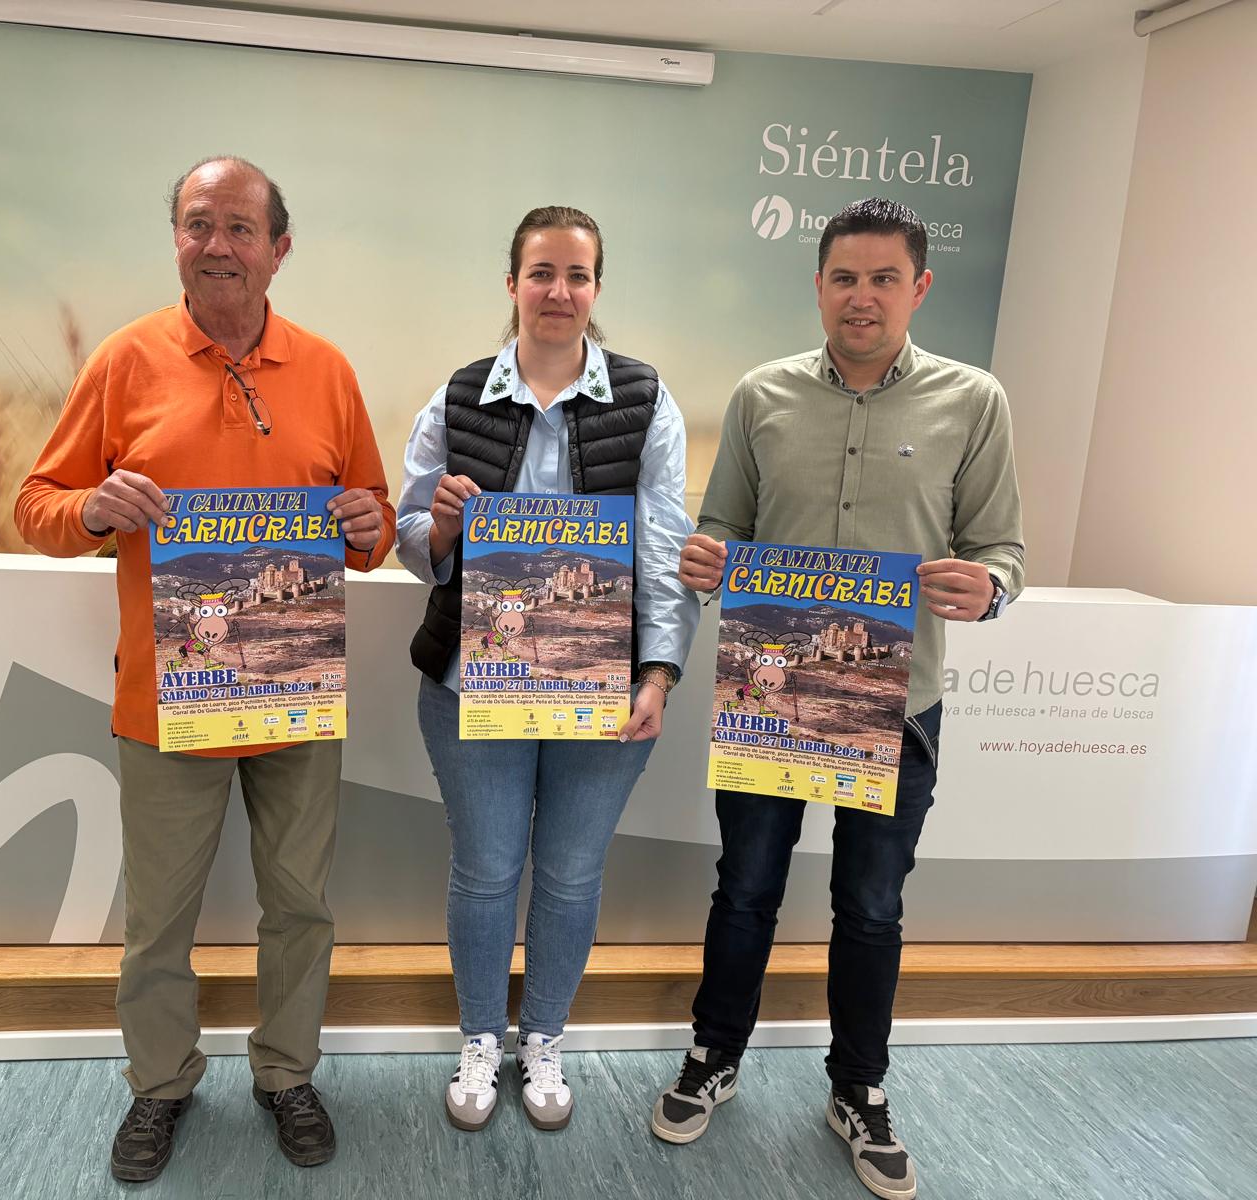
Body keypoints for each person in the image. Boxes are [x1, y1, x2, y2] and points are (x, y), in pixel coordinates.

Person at [14, 156, 395, 1180]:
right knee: (158, 922)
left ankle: (286, 1073)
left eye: (238, 227)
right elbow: (37, 504)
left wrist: (373, 523)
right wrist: (92, 509)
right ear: (175, 239)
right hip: (164, 700)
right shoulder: (123, 361)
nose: (216, 244)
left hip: (297, 698)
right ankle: (160, 1085)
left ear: (279, 248)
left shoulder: (328, 369)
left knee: (301, 906)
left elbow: (372, 526)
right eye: (197, 224)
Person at [649, 197, 1024, 1200]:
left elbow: (1002, 552)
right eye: (844, 278)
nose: (862, 297)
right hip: (774, 686)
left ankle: (857, 1089)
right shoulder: (761, 395)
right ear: (817, 285)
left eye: (883, 279)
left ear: (919, 287)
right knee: (747, 889)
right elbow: (722, 527)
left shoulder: (973, 399)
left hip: (899, 701)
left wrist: (988, 589)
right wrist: (703, 556)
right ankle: (712, 1055)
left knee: (869, 906)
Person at [398, 206, 699, 1133]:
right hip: (469, 686)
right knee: (486, 871)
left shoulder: (646, 401)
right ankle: (481, 1038)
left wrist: (658, 674)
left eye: (577, 275)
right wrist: (442, 525)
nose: (559, 292)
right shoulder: (456, 397)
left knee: (570, 875)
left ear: (596, 288)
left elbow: (660, 547)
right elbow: (411, 542)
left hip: (601, 691)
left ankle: (545, 1040)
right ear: (512, 283)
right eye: (541, 273)